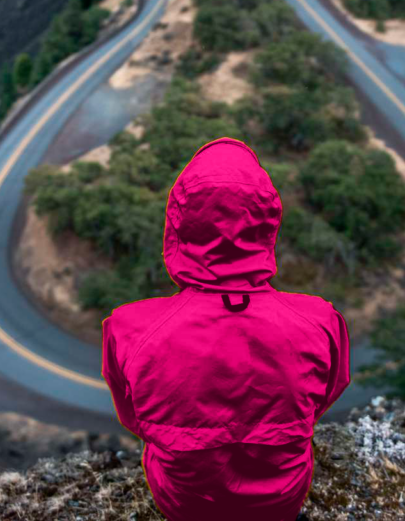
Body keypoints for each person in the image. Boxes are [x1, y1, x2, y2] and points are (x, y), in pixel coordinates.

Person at [101, 136, 352, 521]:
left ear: (177, 225)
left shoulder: (129, 328)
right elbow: (319, 402)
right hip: (281, 501)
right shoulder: (321, 321)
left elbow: (135, 419)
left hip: (185, 504)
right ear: (267, 223)